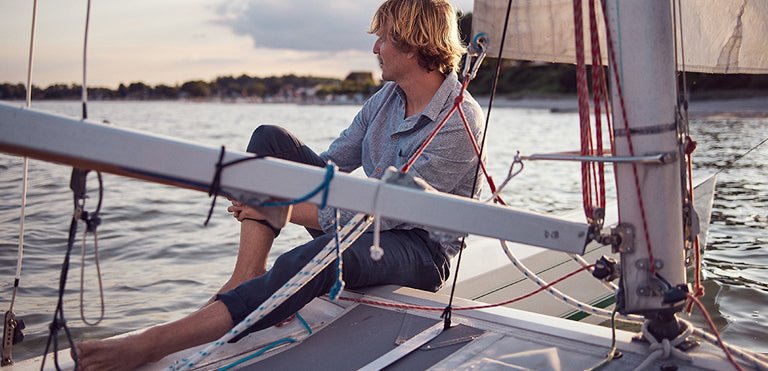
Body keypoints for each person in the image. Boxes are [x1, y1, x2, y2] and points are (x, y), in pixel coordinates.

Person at [75, 0, 485, 369]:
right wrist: (268, 191)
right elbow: (329, 165)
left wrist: (281, 208)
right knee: (271, 138)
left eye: (382, 38)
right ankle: (246, 274)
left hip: (419, 250)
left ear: (412, 43)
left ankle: (153, 343)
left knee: (319, 256)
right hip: (365, 222)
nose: (375, 49)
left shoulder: (460, 119)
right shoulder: (386, 99)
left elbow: (391, 215)